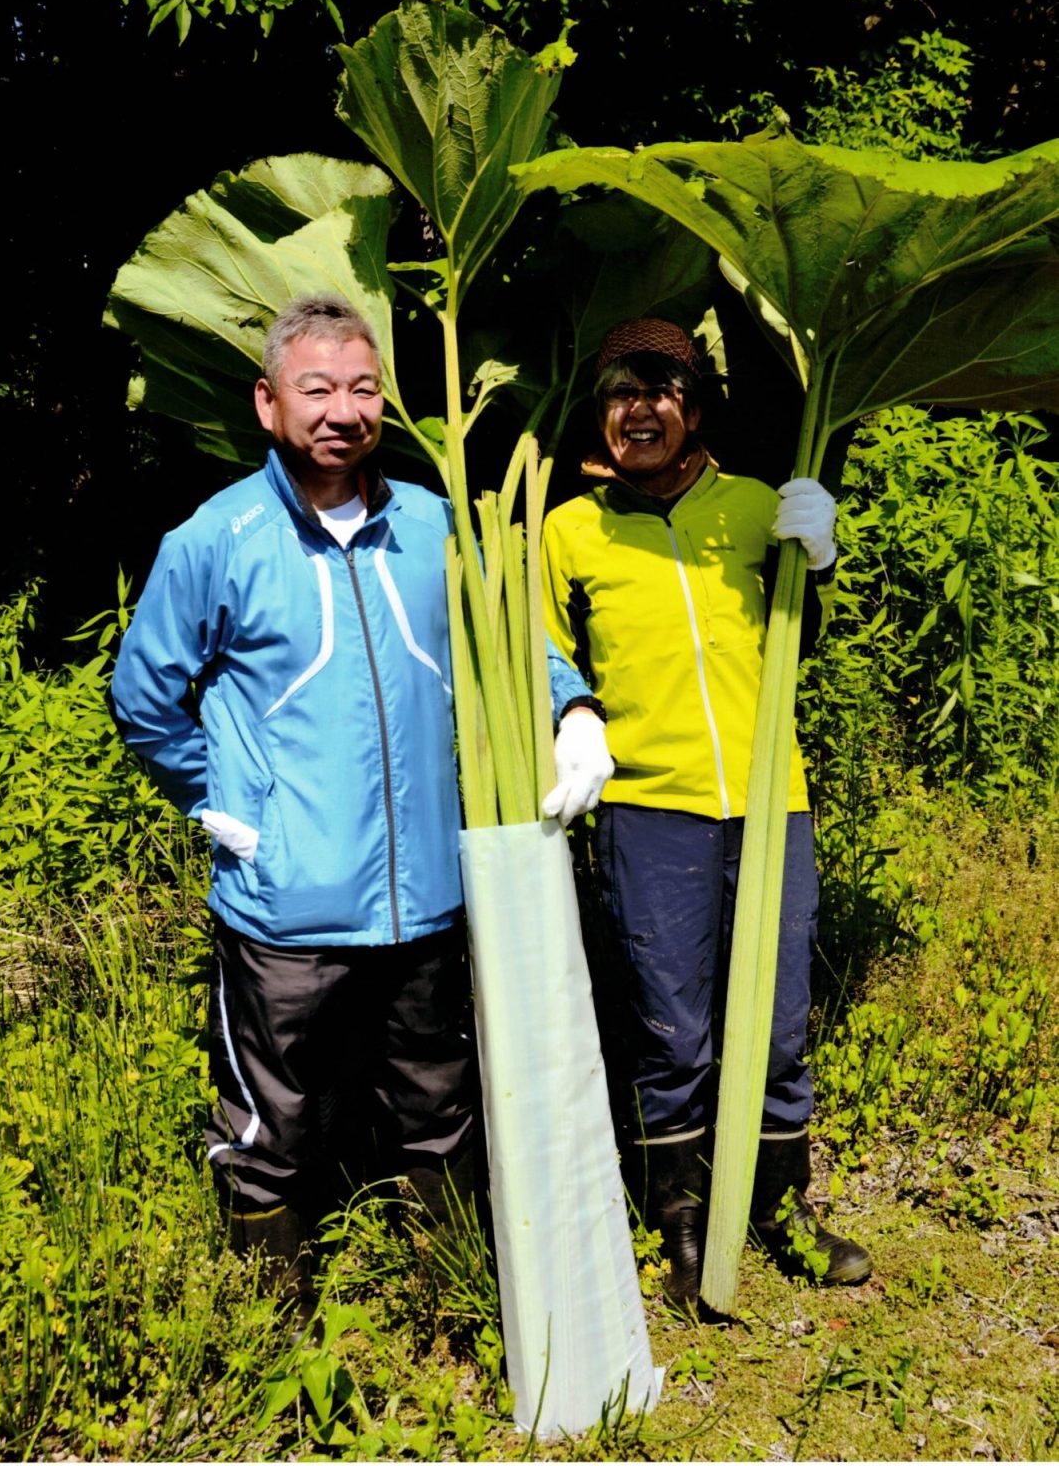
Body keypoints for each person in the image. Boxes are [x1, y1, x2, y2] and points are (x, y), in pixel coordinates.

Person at [111, 292, 612, 1324]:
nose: (342, 409)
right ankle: (274, 1333)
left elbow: (517, 643)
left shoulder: (431, 524)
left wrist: (574, 711)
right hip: (287, 899)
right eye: (316, 388)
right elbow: (143, 697)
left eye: (362, 387)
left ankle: (457, 1305)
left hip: (427, 896)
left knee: (438, 1107)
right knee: (275, 1124)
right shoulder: (218, 539)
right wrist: (220, 799)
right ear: (267, 402)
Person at [541, 317, 872, 1305]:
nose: (640, 408)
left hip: (774, 802)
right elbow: (545, 646)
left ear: (696, 405)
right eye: (619, 392)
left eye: (663, 387)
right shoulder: (572, 529)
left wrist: (817, 557)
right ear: (599, 415)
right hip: (650, 808)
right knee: (673, 1029)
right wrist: (575, 714)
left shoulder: (756, 505)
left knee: (775, 1026)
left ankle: (783, 1207)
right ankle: (681, 1220)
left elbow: (800, 634)